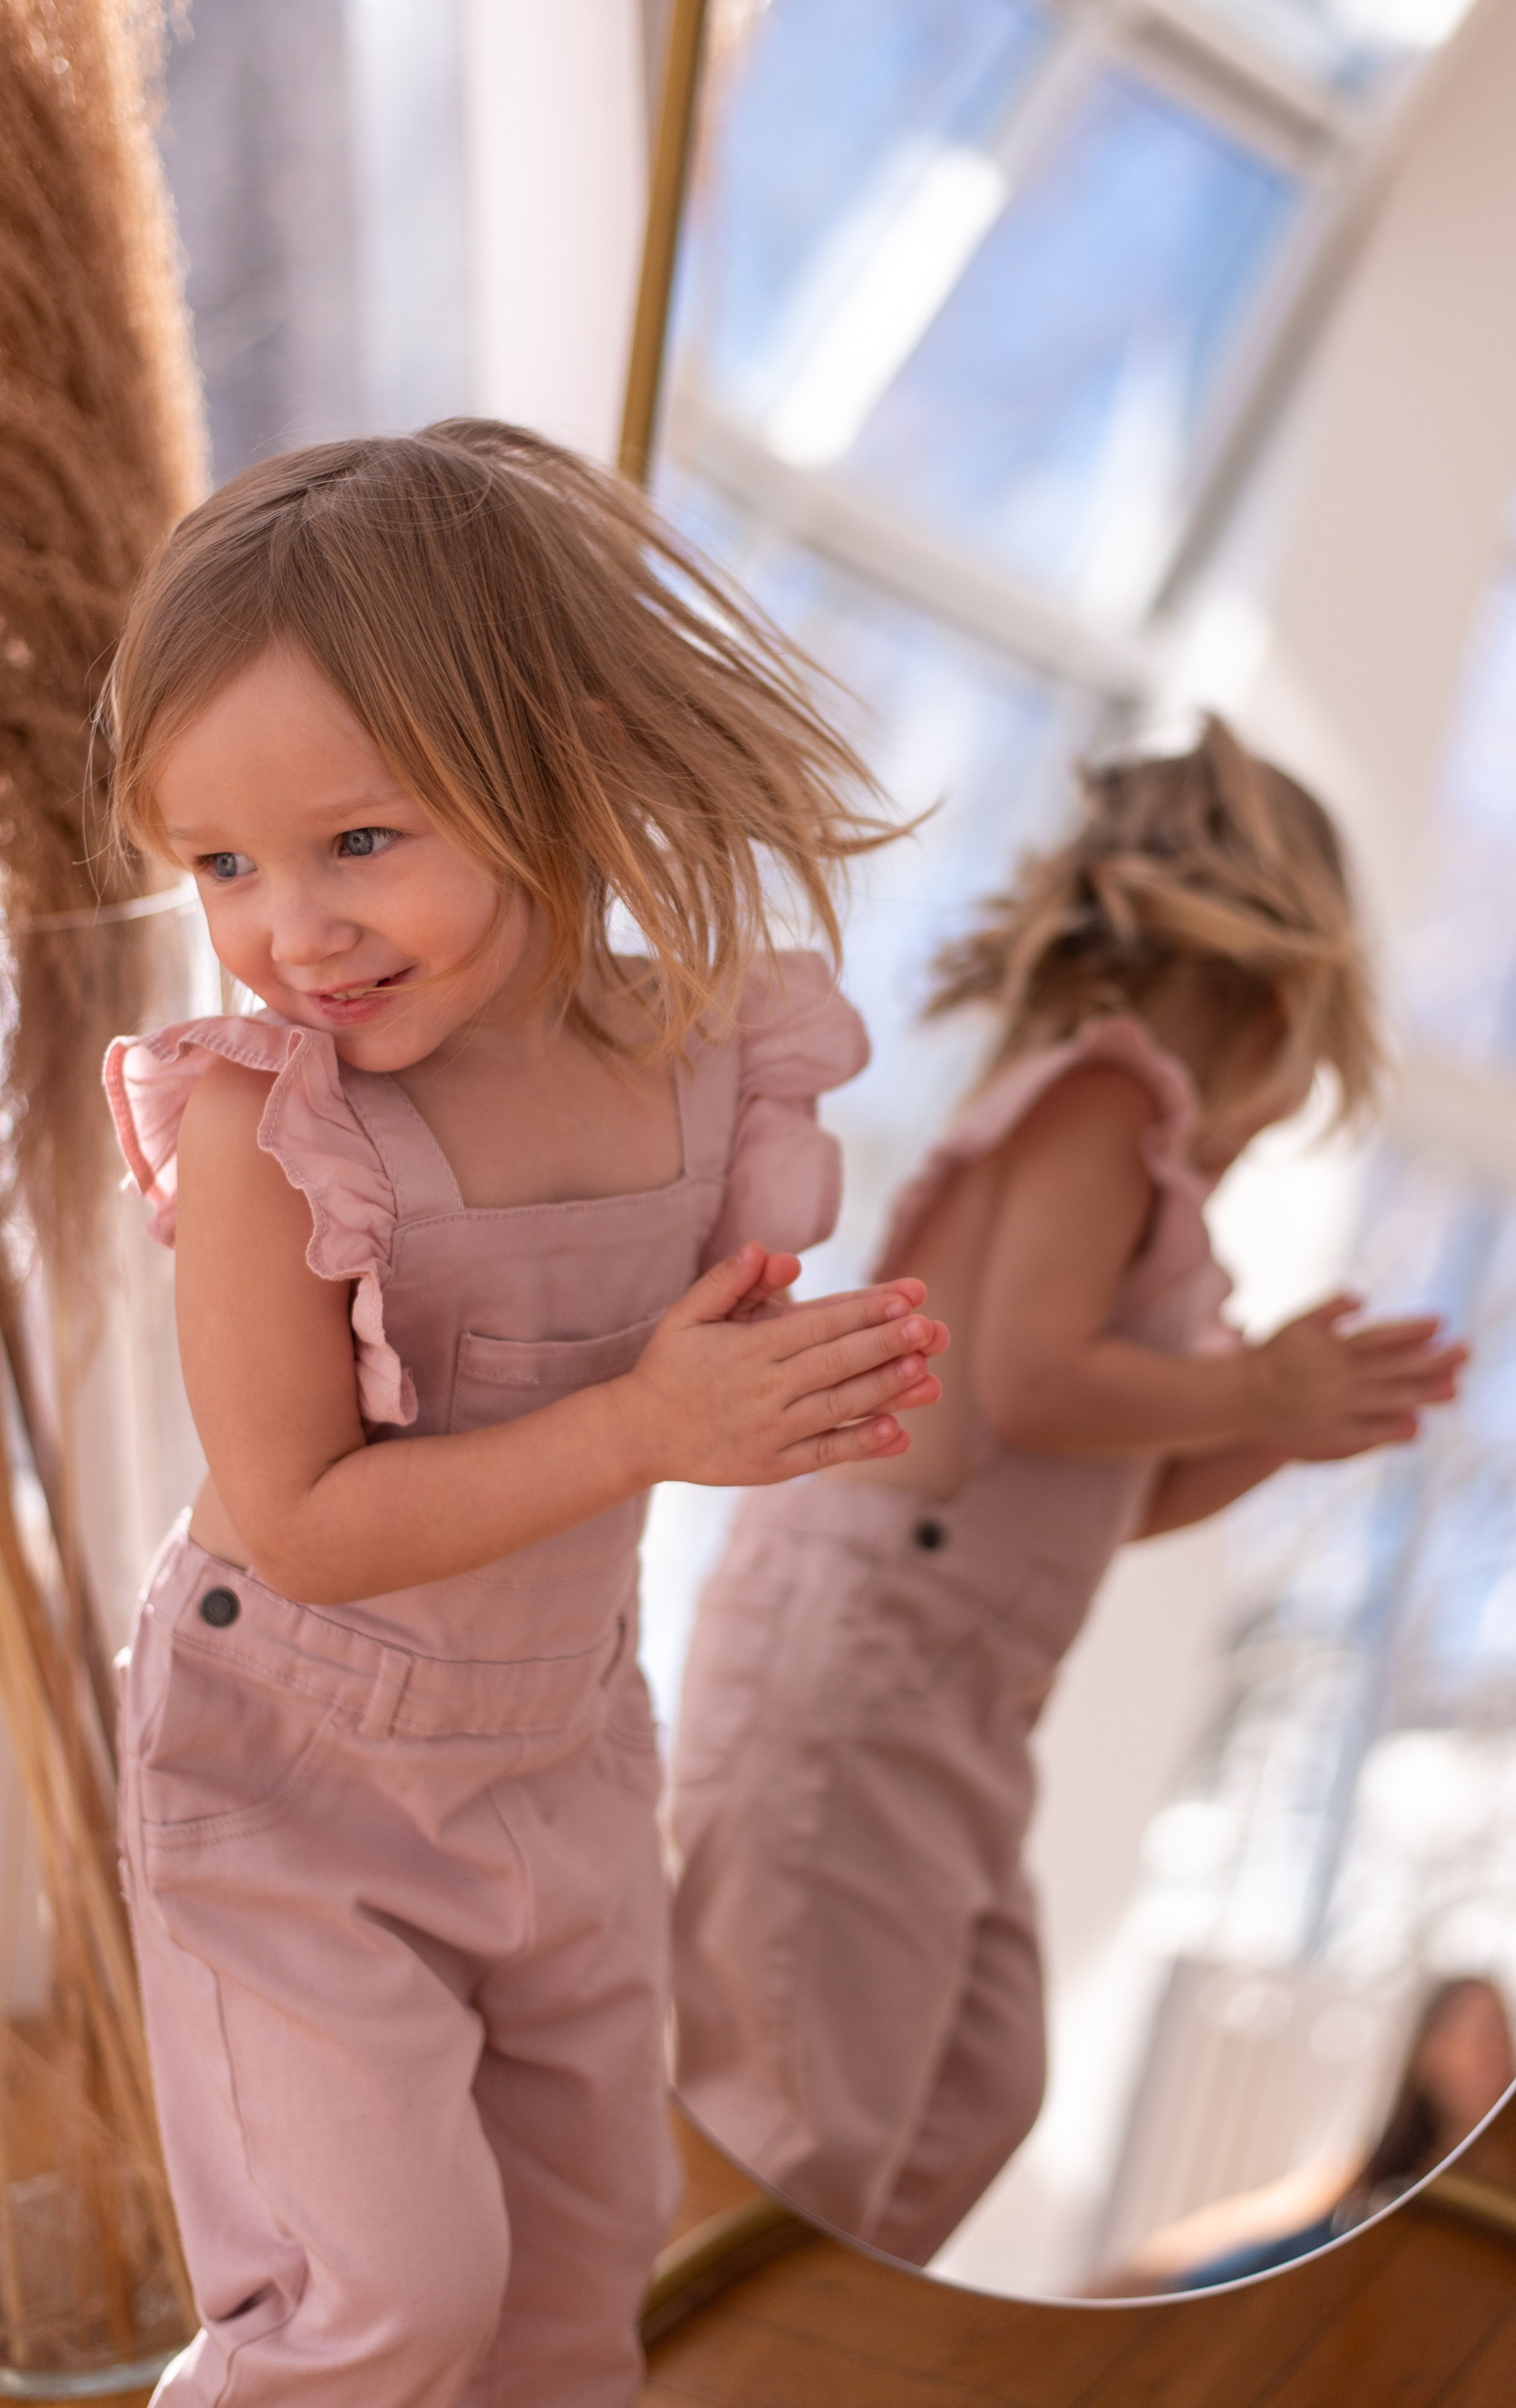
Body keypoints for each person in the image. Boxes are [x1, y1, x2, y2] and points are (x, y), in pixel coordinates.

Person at [99, 421, 950, 2408]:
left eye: (357, 841)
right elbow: (299, 1514)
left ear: (550, 762)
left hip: (561, 1755)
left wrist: (770, 1393)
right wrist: (654, 1423)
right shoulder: (267, 1126)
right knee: (383, 2306)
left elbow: (679, 1383)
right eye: (221, 865)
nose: (287, 927)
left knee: (569, 2315)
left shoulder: (696, 1057)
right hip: (293, 1781)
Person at [669, 718, 1467, 2267]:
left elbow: (1104, 1485)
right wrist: (1252, 1385)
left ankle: (800, 2329)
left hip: (953, 1682)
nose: (1234, 1163)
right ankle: (705, 2347)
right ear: (1275, 1002)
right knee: (802, 2114)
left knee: (980, 2077)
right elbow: (1035, 1377)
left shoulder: (1119, 1142)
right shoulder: (1101, 1098)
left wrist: (1283, 1423)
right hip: (867, 1646)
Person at [1115, 1976, 1516, 2291]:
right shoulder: (1373, 2170)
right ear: (1428, 2052)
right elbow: (1266, 2226)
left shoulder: (1514, 2181)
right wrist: (1151, 2272)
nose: (1490, 2047)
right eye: (1472, 2028)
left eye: (1500, 2031)